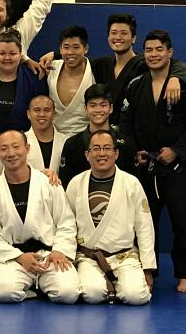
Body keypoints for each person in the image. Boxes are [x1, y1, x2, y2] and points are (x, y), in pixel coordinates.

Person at [119, 30, 186, 293]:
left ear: (170, 52)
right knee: (144, 224)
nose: (153, 54)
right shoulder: (135, 85)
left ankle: (184, 275)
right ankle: (149, 273)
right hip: (145, 166)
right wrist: (134, 151)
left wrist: (177, 151)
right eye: (148, 50)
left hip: (177, 168)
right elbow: (125, 124)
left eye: (159, 49)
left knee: (183, 222)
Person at [0, 130, 80, 303]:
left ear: (27, 148)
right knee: (3, 292)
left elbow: (66, 222)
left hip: (49, 254)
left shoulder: (49, 183)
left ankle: (39, 284)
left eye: (16, 147)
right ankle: (34, 289)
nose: (10, 153)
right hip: (15, 257)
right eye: (4, 149)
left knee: (68, 293)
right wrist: (19, 257)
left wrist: (59, 250)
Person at [40, 13, 186, 125]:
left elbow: (177, 64)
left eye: (123, 33)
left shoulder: (144, 62)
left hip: (134, 133)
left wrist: (176, 78)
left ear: (133, 38)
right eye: (113, 33)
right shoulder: (102, 64)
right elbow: (78, 58)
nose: (118, 37)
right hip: (105, 133)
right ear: (108, 37)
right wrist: (55, 54)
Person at [65, 129, 155, 305]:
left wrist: (148, 268)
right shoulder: (76, 183)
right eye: (96, 149)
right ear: (87, 155)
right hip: (89, 258)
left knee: (136, 297)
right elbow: (67, 225)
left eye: (107, 148)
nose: (102, 153)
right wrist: (68, 258)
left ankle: (117, 286)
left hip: (125, 257)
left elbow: (144, 227)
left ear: (116, 153)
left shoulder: (131, 183)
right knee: (92, 294)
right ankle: (109, 286)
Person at [59, 84, 137, 188]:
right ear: (85, 109)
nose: (98, 110)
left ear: (111, 108)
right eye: (93, 105)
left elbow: (135, 184)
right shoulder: (72, 145)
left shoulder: (126, 144)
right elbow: (65, 185)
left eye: (103, 105)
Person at [46, 25, 95, 136]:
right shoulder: (50, 68)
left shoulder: (96, 71)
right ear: (60, 49)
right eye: (66, 47)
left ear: (86, 48)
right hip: (53, 137)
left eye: (76, 47)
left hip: (86, 138)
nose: (70, 52)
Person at [25, 95, 68, 175]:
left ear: (54, 114)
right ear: (28, 114)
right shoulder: (20, 142)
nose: (42, 114)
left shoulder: (67, 142)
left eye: (47, 110)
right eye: (37, 110)